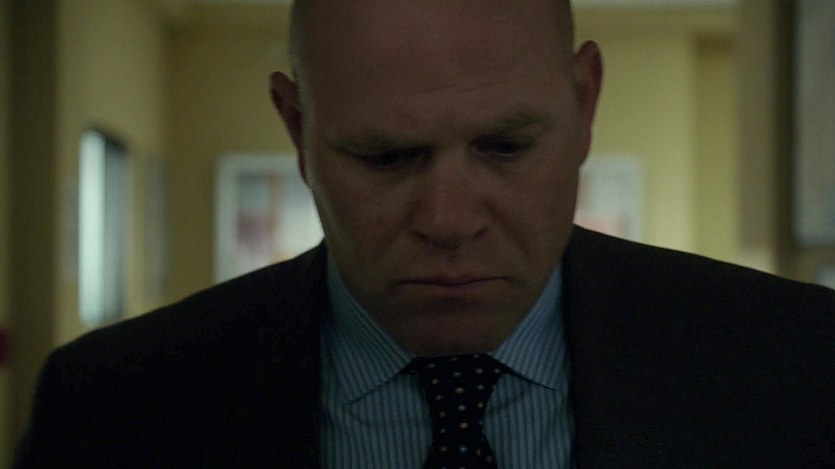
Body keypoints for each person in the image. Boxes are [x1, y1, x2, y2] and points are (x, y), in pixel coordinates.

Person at [15, 0, 835, 467]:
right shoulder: (110, 408)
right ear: (296, 127)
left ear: (584, 103)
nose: (447, 220)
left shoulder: (801, 366)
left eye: (505, 147)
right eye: (385, 157)